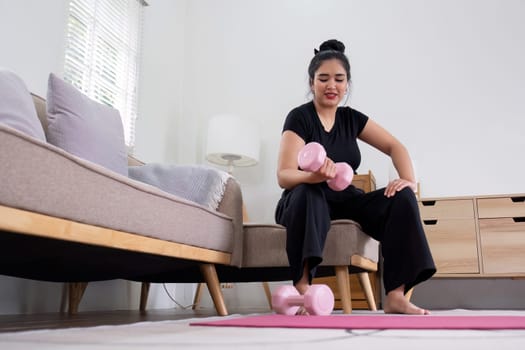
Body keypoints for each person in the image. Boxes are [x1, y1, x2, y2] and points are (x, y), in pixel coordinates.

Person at [275, 39, 436, 315]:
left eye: (339, 79)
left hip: (344, 197)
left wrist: (408, 181)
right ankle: (303, 288)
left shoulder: (351, 119)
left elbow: (394, 146)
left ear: (347, 84)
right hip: (305, 197)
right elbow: (284, 175)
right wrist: (313, 176)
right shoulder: (300, 117)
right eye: (323, 78)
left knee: (402, 198)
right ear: (312, 82)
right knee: (308, 193)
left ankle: (396, 294)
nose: (331, 85)